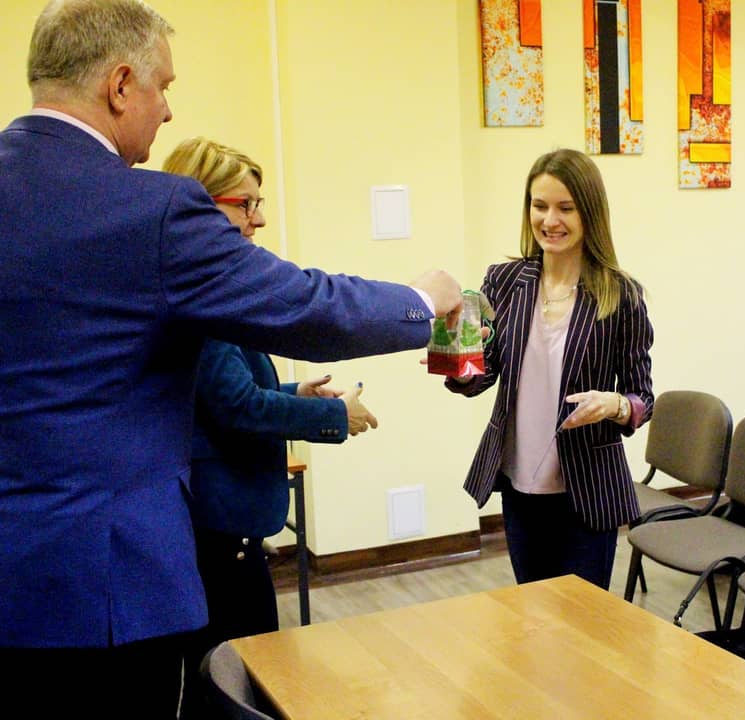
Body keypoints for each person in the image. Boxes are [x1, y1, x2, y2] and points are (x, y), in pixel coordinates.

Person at [0, 1, 460, 715]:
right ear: (120, 85)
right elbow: (304, 306)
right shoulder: (151, 210)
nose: (168, 110)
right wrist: (421, 301)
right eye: (163, 87)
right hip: (108, 592)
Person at [160, 137, 378, 716]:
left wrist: (294, 392)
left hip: (220, 532)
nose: (258, 220)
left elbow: (222, 394)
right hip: (220, 536)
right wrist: (334, 414)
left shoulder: (194, 281)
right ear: (203, 204)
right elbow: (238, 408)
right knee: (231, 687)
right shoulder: (200, 292)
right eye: (246, 204)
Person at [444, 148, 654, 590]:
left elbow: (642, 399)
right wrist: (460, 364)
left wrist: (613, 404)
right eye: (539, 206)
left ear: (590, 212)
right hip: (520, 486)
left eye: (565, 208)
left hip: (588, 488)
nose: (550, 220)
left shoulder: (620, 295)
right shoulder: (503, 282)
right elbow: (482, 373)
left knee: (582, 619)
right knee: (533, 613)